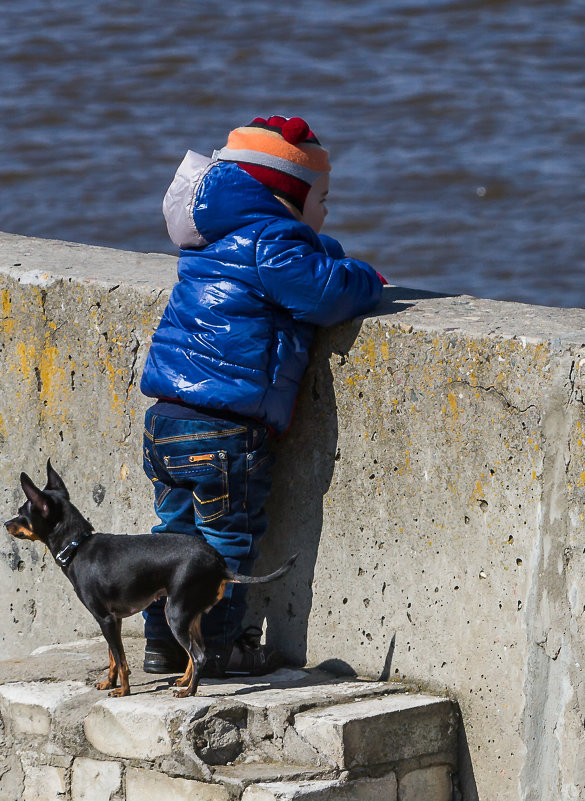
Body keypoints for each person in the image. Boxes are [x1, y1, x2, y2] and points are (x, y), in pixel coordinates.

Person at [137, 115, 385, 676]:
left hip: (167, 422)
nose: (327, 211)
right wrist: (366, 277)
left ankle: (163, 646)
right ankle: (217, 653)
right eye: (322, 198)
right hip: (225, 430)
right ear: (289, 195)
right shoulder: (273, 239)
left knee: (173, 543)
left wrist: (322, 248)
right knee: (224, 548)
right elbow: (323, 292)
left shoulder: (215, 233)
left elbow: (302, 262)